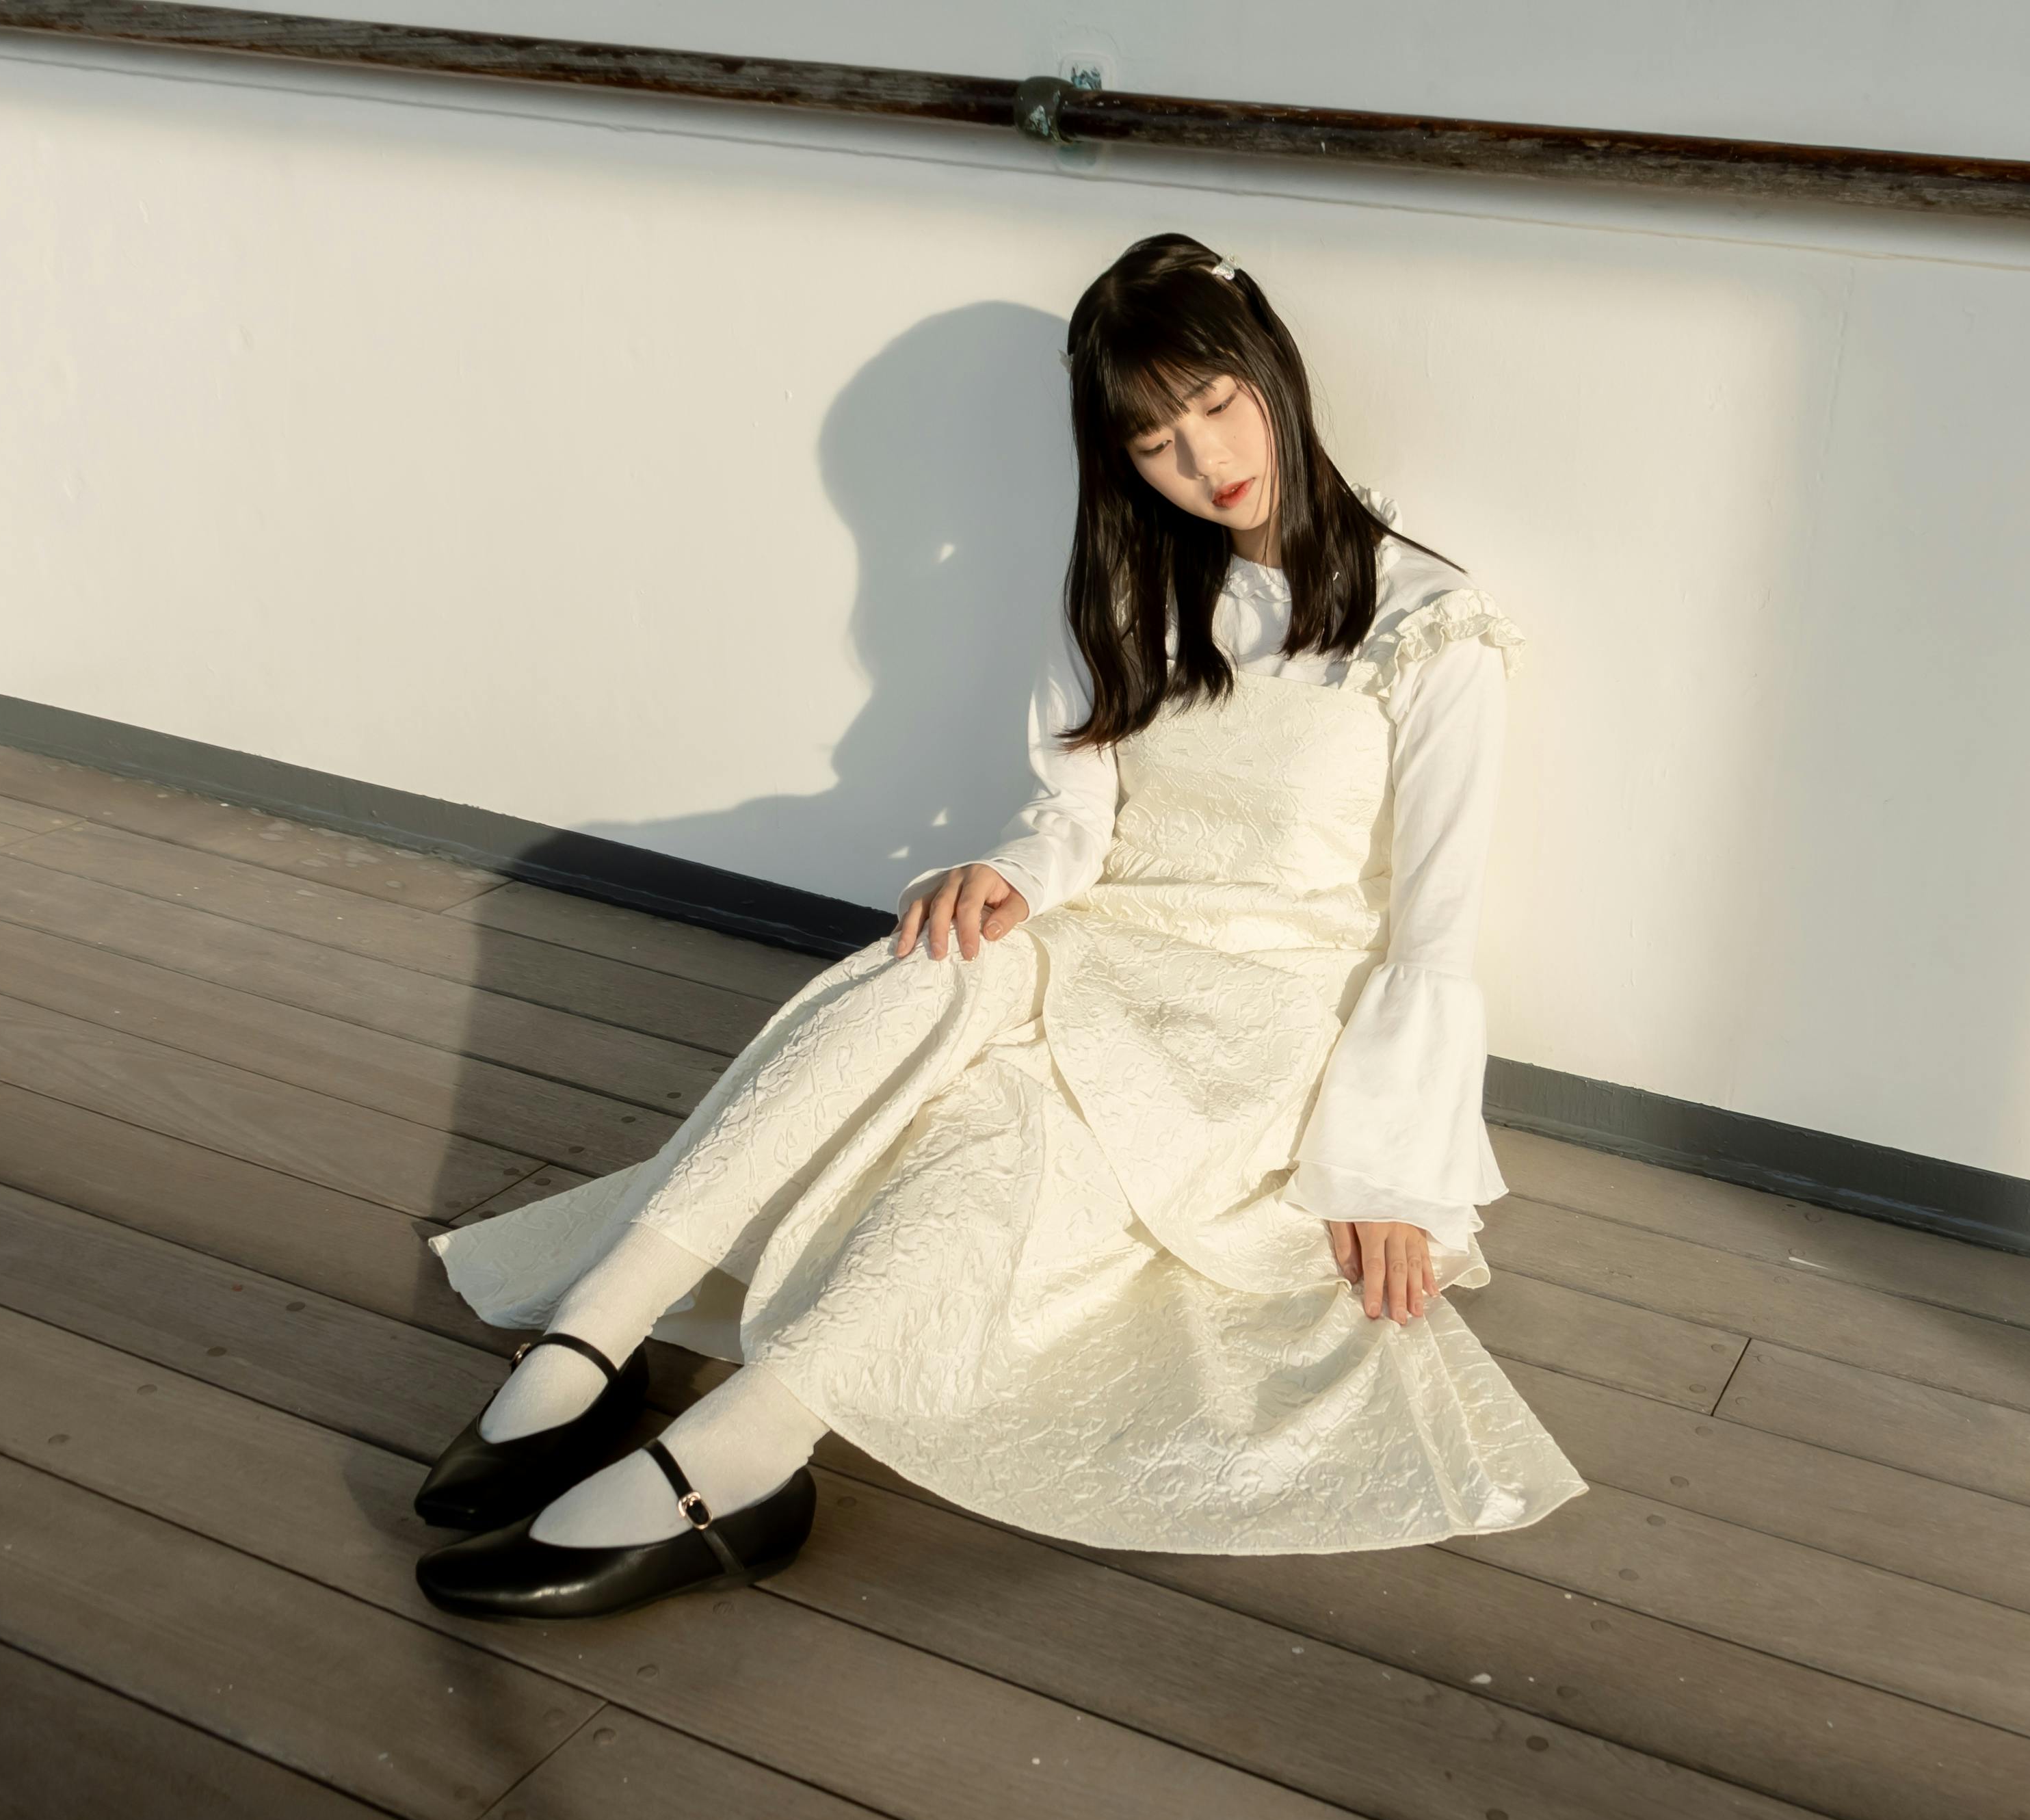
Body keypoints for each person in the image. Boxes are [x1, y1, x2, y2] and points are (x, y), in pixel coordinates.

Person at [411, 232, 1588, 1621]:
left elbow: (1432, 932)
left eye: (1215, 405)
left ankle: (743, 1454)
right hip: (1100, 945)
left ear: (1274, 372)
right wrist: (1015, 878)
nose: (1203, 460)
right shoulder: (1138, 590)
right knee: (920, 971)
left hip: (1257, 1023)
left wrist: (1394, 1172)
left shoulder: (1432, 629)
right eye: (1155, 440)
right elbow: (1077, 812)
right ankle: (593, 1335)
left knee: (994, 1144)